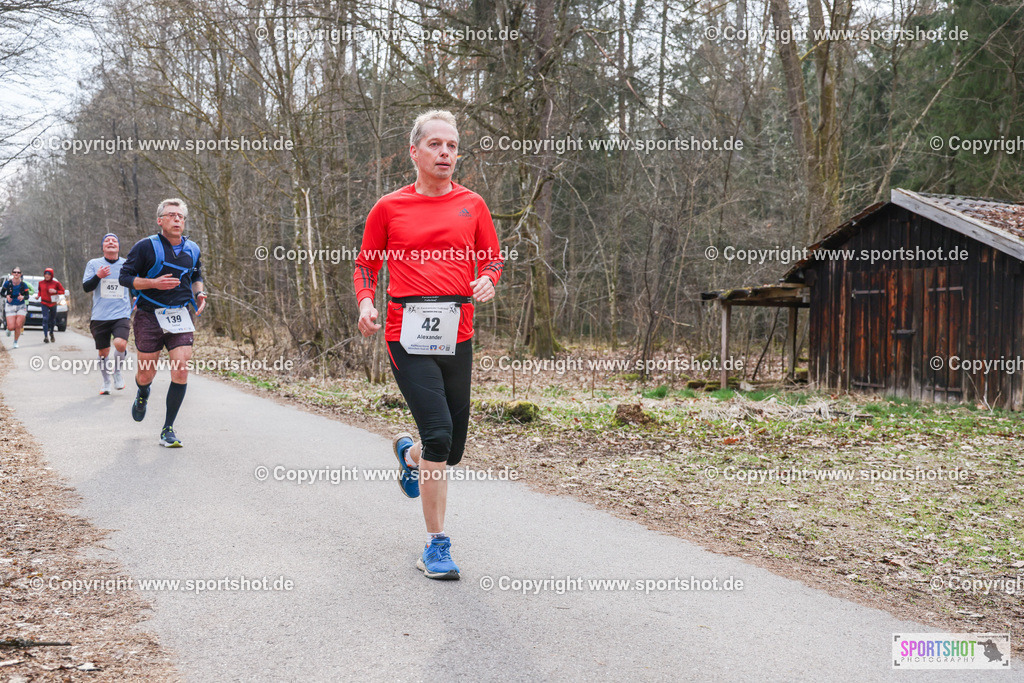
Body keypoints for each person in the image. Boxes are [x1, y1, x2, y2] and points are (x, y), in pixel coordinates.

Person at [354, 109, 504, 581]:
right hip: (406, 333)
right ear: (414, 152)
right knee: (438, 434)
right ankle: (436, 546)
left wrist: (488, 279)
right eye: (435, 144)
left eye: (452, 146)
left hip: (458, 332)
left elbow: (492, 259)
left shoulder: (472, 204)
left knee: (450, 449)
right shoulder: (389, 207)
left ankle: (409, 456)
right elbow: (366, 265)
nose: (445, 153)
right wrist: (366, 304)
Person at [119, 198, 207, 447]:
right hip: (149, 315)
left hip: (180, 315)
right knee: (146, 373)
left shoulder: (193, 249)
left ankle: (168, 428)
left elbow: (196, 274)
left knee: (181, 368)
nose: (177, 219)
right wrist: (153, 283)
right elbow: (125, 277)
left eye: (180, 216)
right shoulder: (145, 247)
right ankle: (142, 392)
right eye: (171, 215)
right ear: (160, 220)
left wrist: (199, 292)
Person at [83, 234, 133, 394]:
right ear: (103, 247)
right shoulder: (94, 264)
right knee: (103, 352)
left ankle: (117, 372)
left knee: (121, 344)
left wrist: (135, 296)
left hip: (121, 313)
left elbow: (133, 283)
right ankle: (106, 382)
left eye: (114, 240)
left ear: (118, 246)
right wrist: (98, 276)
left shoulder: (127, 264)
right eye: (107, 240)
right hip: (100, 315)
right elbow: (86, 287)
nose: (111, 242)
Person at [2, 268, 31, 349]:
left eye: (18, 272)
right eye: (14, 272)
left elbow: (27, 296)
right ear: (12, 273)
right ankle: (8, 329)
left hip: (21, 306)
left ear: (20, 274)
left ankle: (15, 342)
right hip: (10, 305)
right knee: (11, 327)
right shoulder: (8, 283)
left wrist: (23, 297)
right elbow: (2, 293)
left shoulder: (23, 284)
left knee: (18, 325)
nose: (16, 274)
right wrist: (6, 296)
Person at [38, 268, 65, 343]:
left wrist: (55, 291)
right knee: (45, 319)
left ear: (51, 275)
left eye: (49, 274)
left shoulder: (56, 283)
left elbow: (63, 291)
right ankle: (45, 336)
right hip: (44, 303)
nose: (47, 276)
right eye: (46, 274)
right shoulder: (41, 283)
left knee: (52, 320)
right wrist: (38, 296)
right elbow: (40, 291)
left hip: (53, 303)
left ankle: (51, 332)